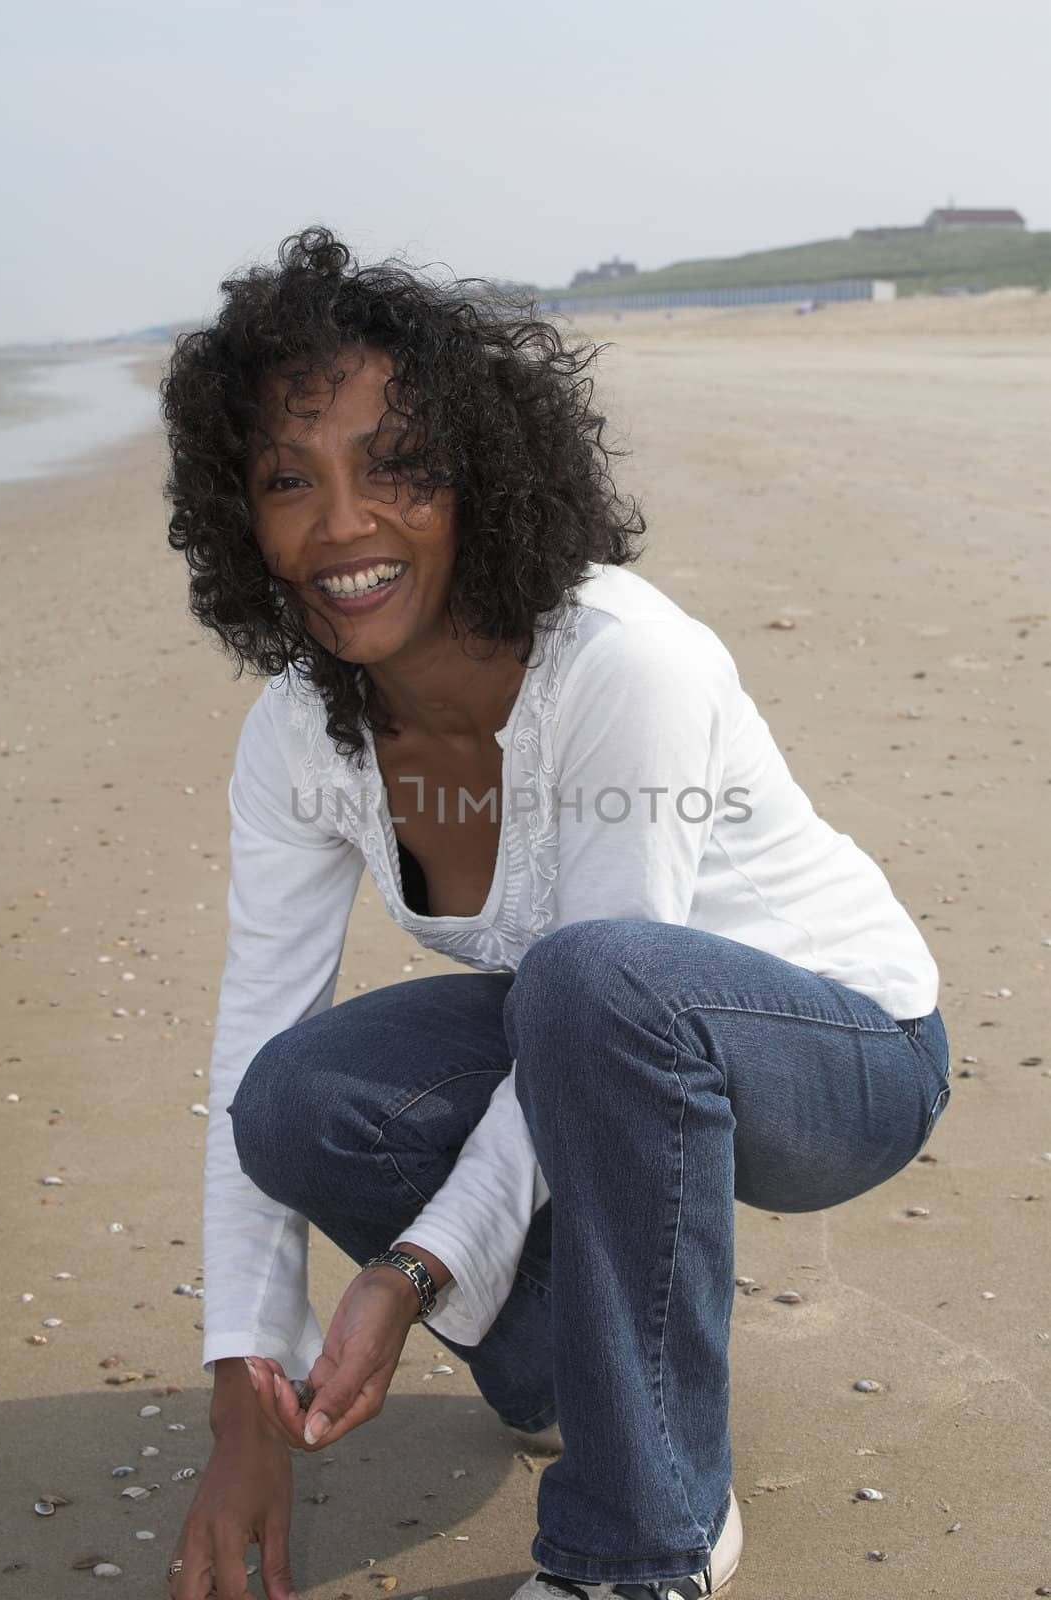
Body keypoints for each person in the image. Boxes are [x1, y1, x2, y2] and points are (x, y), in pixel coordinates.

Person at [159, 226, 951, 1600]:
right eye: (291, 481)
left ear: (481, 475)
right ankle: (571, 1377)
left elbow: (601, 991)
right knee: (297, 1098)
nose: (343, 524)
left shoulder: (620, 665)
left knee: (590, 982)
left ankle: (644, 1545)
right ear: (243, 518)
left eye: (395, 465)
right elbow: (252, 1037)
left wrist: (406, 1273)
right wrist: (244, 1389)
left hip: (841, 1051)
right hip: (594, 1043)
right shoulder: (300, 736)